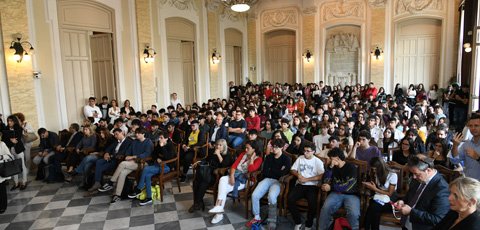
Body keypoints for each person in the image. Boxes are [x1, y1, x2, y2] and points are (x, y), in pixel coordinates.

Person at [208, 141, 263, 224]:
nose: (245, 149)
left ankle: (218, 213)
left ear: (254, 149)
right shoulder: (243, 154)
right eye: (245, 147)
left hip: (246, 180)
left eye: (248, 148)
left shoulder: (258, 159)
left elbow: (251, 170)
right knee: (222, 179)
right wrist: (232, 176)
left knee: (223, 189)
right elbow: (234, 165)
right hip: (236, 175)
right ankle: (218, 210)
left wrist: (251, 159)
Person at [393, 155, 450, 230]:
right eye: (412, 173)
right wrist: (402, 201)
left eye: (416, 174)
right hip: (407, 223)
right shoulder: (418, 178)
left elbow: (437, 219)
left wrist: (411, 212)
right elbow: (409, 195)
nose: (413, 177)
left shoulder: (442, 188)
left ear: (428, 170)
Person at [98, 127, 153, 203]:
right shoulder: (134, 142)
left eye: (138, 133)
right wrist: (127, 156)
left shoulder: (148, 142)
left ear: (143, 134)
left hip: (143, 163)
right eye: (136, 133)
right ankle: (117, 195)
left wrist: (134, 156)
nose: (136, 134)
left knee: (123, 163)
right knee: (123, 173)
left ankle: (111, 182)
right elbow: (127, 152)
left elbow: (147, 154)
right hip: (132, 163)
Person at [247, 139, 292, 229]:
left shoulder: (286, 159)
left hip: (278, 182)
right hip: (267, 179)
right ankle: (257, 217)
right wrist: (278, 171)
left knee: (271, 196)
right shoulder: (269, 157)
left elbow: (283, 173)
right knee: (255, 195)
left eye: (276, 147)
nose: (274, 149)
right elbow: (265, 172)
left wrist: (272, 170)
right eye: (273, 147)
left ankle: (272, 219)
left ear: (282, 148)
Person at [129, 131, 176, 205]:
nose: (160, 139)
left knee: (146, 169)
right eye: (159, 137)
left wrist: (162, 147)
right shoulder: (158, 144)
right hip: (157, 165)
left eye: (161, 138)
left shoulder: (170, 146)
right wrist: (157, 158)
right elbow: (154, 154)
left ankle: (139, 188)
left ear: (166, 138)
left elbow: (168, 157)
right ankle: (149, 198)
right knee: (147, 175)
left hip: (167, 166)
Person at [318, 147, 360, 230]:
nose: (329, 159)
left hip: (351, 195)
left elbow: (348, 186)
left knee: (353, 213)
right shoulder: (332, 167)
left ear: (337, 158)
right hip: (335, 193)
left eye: (331, 158)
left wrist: (331, 187)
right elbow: (326, 180)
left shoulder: (351, 168)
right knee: (325, 209)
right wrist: (330, 168)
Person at [189, 139, 233, 213]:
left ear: (224, 146)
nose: (218, 147)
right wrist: (199, 162)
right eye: (217, 145)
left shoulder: (227, 155)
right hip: (208, 173)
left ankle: (197, 204)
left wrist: (218, 155)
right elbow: (206, 160)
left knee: (203, 182)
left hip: (217, 176)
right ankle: (198, 203)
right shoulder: (212, 152)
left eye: (220, 145)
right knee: (195, 181)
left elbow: (224, 165)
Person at [288, 141, 325, 230]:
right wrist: (298, 175)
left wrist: (307, 179)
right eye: (304, 151)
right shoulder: (300, 158)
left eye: (308, 151)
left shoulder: (318, 161)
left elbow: (321, 176)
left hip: (312, 186)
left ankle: (309, 224)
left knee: (313, 204)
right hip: (300, 184)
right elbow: (292, 170)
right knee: (290, 199)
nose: (305, 153)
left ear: (313, 152)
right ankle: (298, 222)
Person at [87, 128, 132, 193]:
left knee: (100, 168)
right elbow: (108, 148)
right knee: (99, 162)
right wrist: (106, 153)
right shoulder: (116, 141)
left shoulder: (128, 142)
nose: (116, 136)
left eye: (117, 134)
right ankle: (97, 182)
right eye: (115, 135)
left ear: (122, 133)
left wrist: (111, 156)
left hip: (117, 160)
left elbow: (124, 153)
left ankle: (97, 182)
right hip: (110, 158)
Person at [363, 157, 398, 230]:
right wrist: (371, 184)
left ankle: (365, 227)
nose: (374, 171)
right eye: (373, 169)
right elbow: (377, 187)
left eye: (375, 169)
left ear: (381, 167)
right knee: (374, 209)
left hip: (390, 200)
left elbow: (389, 193)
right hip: (379, 197)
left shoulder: (392, 175)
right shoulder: (376, 173)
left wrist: (374, 188)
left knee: (373, 207)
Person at [1, 115, 27, 190]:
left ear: (14, 121)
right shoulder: (5, 129)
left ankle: (24, 182)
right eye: (8, 121)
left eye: (11, 121)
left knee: (22, 165)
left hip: (18, 149)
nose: (9, 122)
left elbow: (17, 139)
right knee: (13, 166)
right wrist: (10, 140)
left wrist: (11, 140)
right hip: (10, 150)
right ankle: (16, 183)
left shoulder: (18, 128)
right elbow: (3, 140)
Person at [451, 114, 480, 180]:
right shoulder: (466, 144)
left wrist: (478, 158)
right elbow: (455, 160)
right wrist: (455, 145)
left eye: (476, 125)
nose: (473, 128)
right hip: (468, 183)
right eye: (470, 126)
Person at [0, 132, 14, 213]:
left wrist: (1, 157)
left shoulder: (2, 144)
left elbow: (9, 156)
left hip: (1, 169)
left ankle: (3, 206)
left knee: (1, 189)